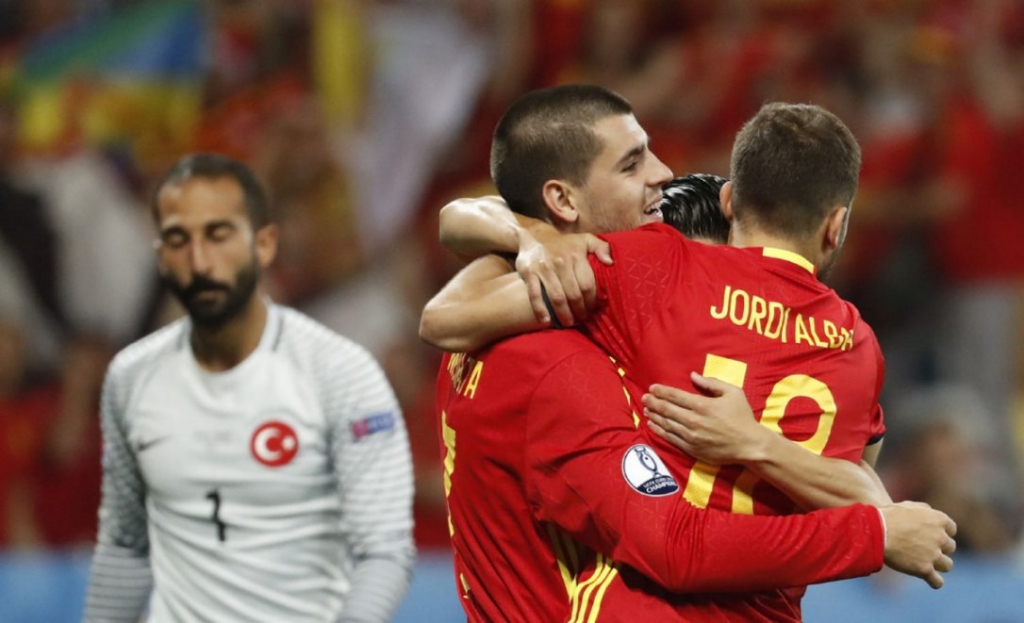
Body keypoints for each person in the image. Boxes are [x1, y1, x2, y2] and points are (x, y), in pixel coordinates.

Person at [423, 85, 955, 621]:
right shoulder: (561, 364)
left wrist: (523, 234)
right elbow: (679, 547)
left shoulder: (592, 303)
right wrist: (871, 531)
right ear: (836, 226)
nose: (662, 171)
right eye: (632, 164)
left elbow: (447, 294)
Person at [83, 154, 415, 622]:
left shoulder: (341, 373)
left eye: (219, 235)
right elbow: (125, 550)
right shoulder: (131, 380)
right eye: (179, 239)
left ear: (264, 245)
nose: (200, 260)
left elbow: (383, 551)